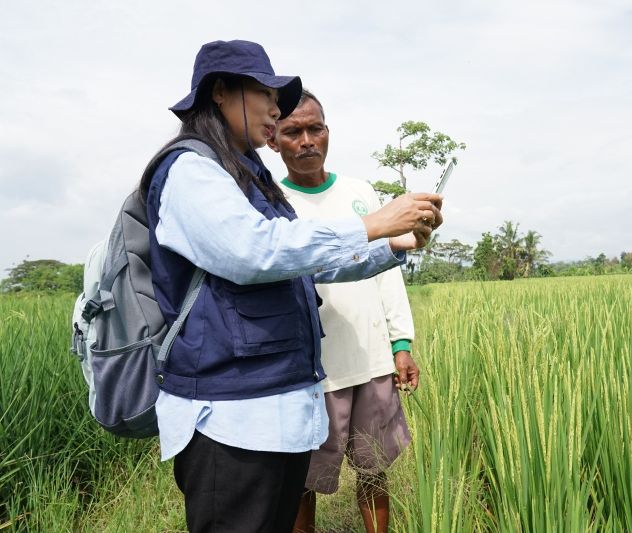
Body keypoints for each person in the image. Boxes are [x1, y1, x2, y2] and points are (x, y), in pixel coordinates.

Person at [142, 40, 442, 532]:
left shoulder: (242, 173)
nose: (276, 109)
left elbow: (304, 265)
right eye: (266, 95)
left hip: (273, 411)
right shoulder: (191, 170)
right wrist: (373, 223)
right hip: (230, 418)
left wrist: (396, 244)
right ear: (221, 92)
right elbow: (255, 250)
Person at [267, 90, 420, 533]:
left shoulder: (360, 192)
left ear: (328, 132)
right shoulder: (272, 201)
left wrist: (401, 343)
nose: (307, 140)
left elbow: (386, 271)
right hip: (312, 370)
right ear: (274, 140)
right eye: (292, 131)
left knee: (374, 470)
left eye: (315, 128)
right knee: (302, 480)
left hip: (371, 359)